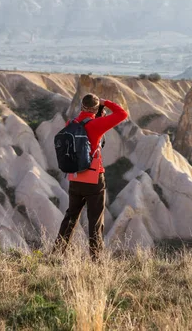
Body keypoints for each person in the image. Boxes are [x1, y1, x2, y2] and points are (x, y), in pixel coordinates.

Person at [53, 93, 128, 260]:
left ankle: (57, 253)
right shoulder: (97, 125)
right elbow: (123, 114)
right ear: (95, 108)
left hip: (75, 178)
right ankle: (96, 258)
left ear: (81, 106)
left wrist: (96, 110)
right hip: (94, 179)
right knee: (95, 220)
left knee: (70, 217)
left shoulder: (71, 124)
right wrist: (105, 102)